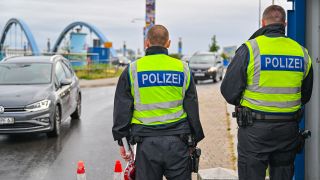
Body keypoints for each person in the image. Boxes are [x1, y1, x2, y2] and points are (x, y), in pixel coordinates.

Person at [221, 5, 313, 180]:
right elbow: (306, 95)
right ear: (284, 24)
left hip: (255, 131)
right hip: (288, 130)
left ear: (263, 23)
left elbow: (228, 91)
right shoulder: (302, 52)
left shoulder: (250, 49)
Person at [112, 25, 204, 180]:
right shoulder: (183, 69)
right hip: (178, 143)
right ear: (168, 43)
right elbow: (192, 108)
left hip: (146, 145)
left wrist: (123, 143)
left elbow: (122, 111)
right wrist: (194, 140)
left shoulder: (132, 70)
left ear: (146, 43)